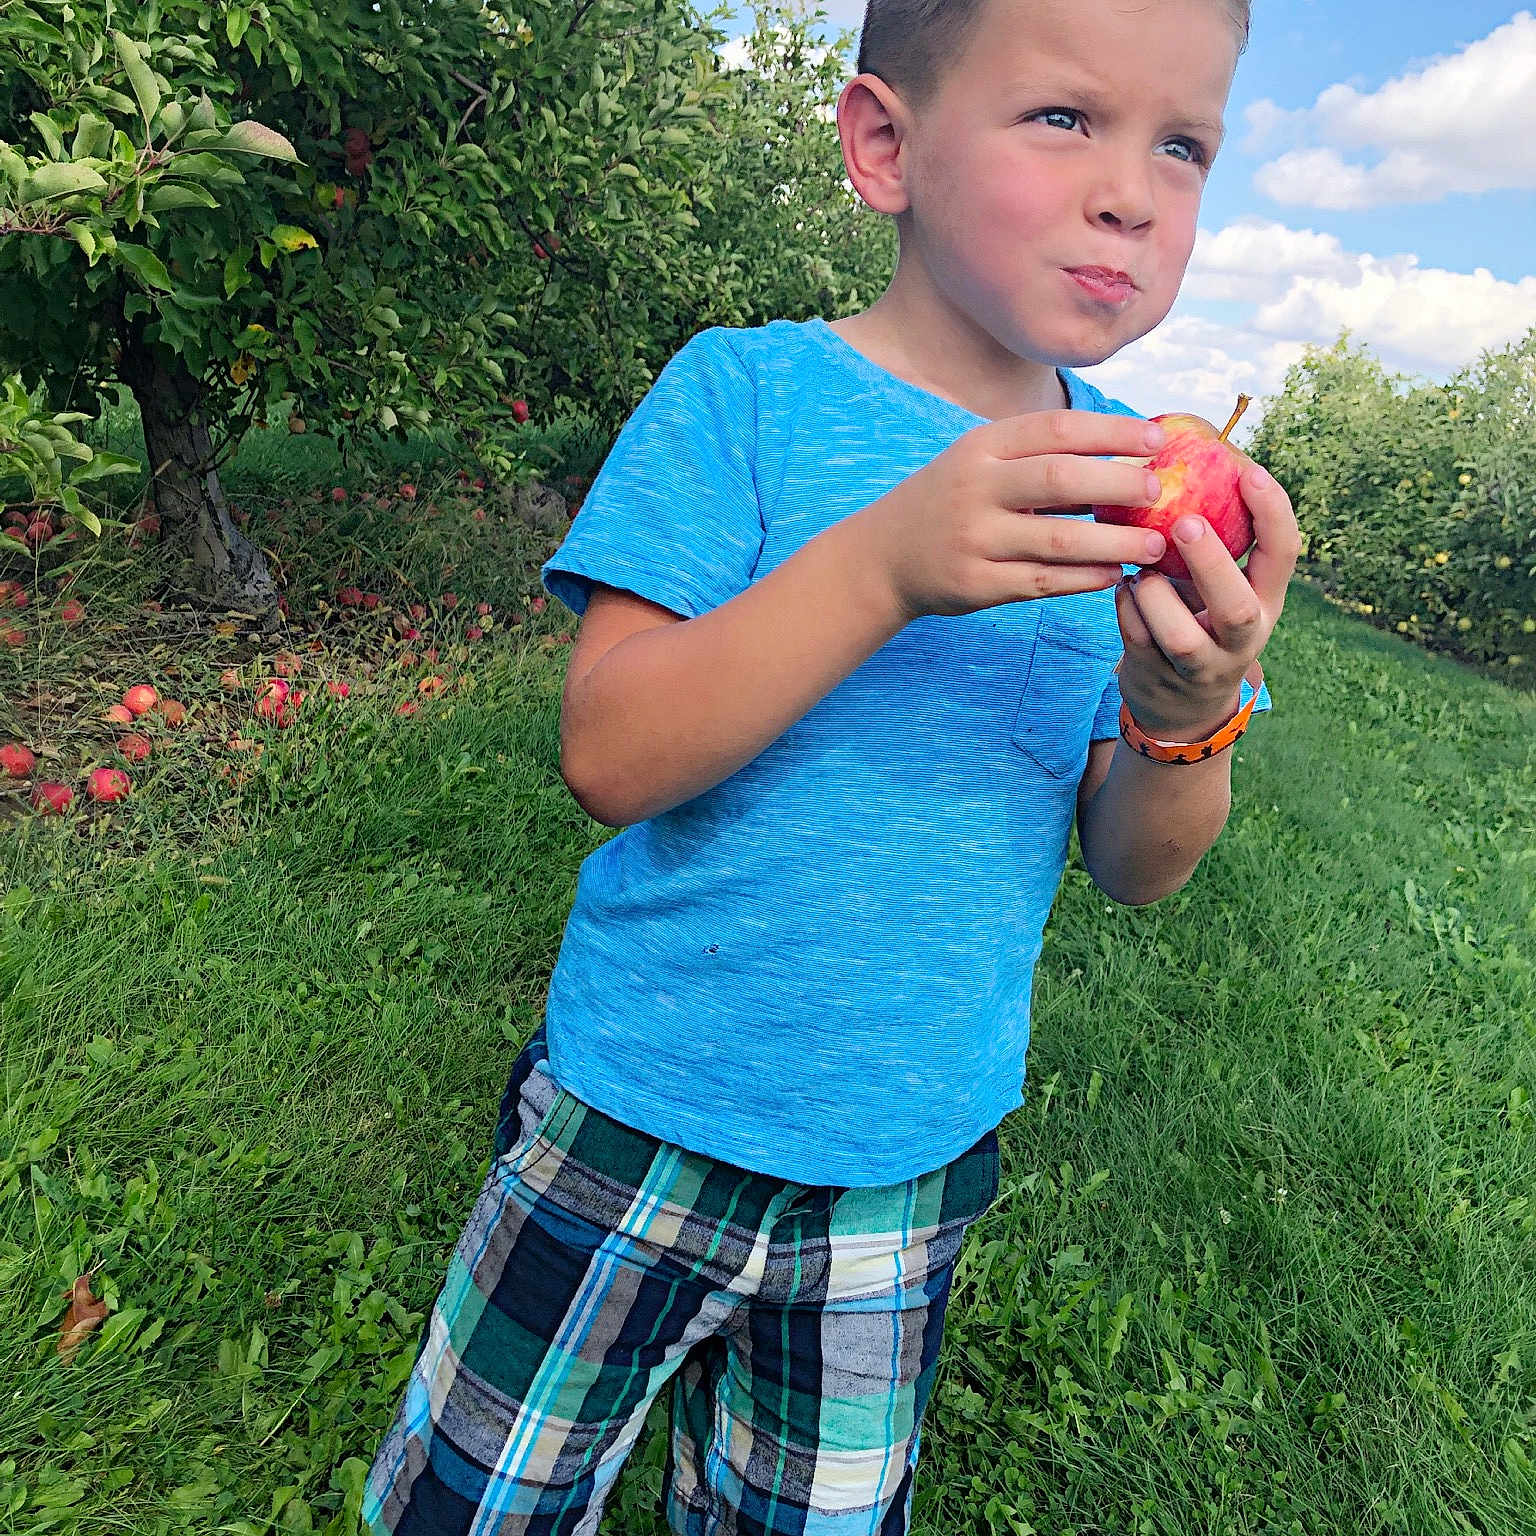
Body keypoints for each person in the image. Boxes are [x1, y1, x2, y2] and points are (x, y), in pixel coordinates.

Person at [364, 0, 1298, 1529]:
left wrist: (1184, 701)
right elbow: (608, 750)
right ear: (884, 144)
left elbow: (1138, 865)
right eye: (1065, 117)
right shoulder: (749, 399)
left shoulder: (1129, 486)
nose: (1132, 190)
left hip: (904, 1162)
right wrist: (886, 565)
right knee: (479, 1504)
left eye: (1183, 144)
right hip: (641, 1108)